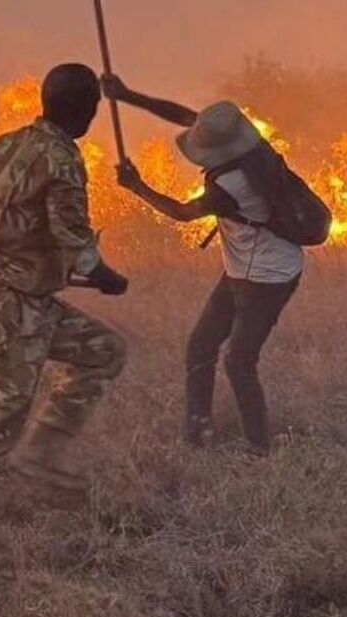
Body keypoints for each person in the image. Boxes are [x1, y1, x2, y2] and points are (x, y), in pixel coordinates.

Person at [0, 63, 131, 541]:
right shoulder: (62, 159)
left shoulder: (6, 143)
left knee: (104, 350)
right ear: (82, 109)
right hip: (9, 307)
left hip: (18, 299)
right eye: (93, 108)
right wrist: (107, 278)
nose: (94, 117)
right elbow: (75, 241)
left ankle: (42, 451)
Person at [104, 74, 304, 454]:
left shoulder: (231, 187)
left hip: (269, 278)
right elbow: (183, 115)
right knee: (200, 347)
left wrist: (137, 187)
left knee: (239, 361)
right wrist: (128, 95)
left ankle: (259, 449)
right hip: (241, 270)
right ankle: (197, 434)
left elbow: (182, 212)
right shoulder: (250, 145)